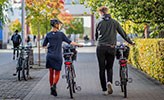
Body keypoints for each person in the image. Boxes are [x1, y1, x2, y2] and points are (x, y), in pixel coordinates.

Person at [95, 6, 135, 95]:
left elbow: (96, 36)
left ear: (101, 13)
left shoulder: (99, 23)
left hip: (101, 47)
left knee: (101, 69)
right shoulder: (115, 22)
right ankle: (109, 82)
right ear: (107, 12)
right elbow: (123, 33)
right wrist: (130, 42)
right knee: (109, 67)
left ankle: (104, 89)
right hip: (111, 47)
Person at [42, 19, 82, 97]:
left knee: (51, 73)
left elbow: (44, 45)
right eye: (59, 24)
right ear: (56, 25)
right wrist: (79, 44)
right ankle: (54, 85)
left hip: (49, 56)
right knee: (57, 72)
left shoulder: (48, 34)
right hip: (57, 56)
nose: (59, 26)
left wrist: (49, 46)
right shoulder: (61, 34)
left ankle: (51, 88)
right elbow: (70, 42)